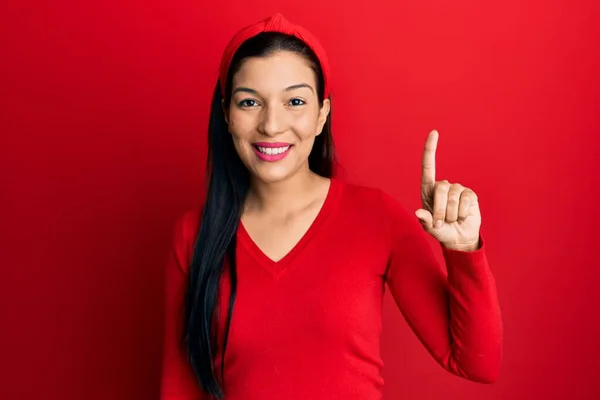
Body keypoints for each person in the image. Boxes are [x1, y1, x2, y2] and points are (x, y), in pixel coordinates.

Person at [160, 13, 502, 400]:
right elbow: (181, 387)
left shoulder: (377, 217)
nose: (272, 125)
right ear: (226, 114)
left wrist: (463, 250)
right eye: (250, 102)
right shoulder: (194, 234)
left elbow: (477, 363)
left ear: (322, 114)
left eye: (295, 101)